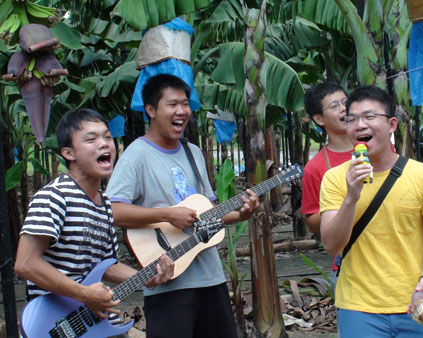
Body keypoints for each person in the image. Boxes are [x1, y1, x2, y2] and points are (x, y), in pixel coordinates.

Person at [106, 74, 259, 338]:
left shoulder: (193, 152)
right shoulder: (136, 155)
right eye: (173, 104)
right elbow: (112, 211)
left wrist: (241, 213)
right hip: (167, 282)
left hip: (211, 277)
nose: (182, 111)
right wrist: (167, 214)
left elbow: (208, 213)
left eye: (185, 104)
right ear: (151, 110)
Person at [14, 109, 174, 323]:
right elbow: (25, 263)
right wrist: (84, 294)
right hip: (52, 323)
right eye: (91, 139)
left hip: (88, 319)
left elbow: (106, 264)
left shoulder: (105, 204)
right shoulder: (54, 196)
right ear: (69, 153)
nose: (104, 144)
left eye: (107, 137)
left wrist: (145, 278)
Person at [319, 85, 423, 337]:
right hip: (358, 307)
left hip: (414, 301)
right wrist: (351, 196)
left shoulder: (422, 175)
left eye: (369, 116)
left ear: (391, 124)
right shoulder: (335, 179)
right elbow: (332, 244)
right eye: (352, 119)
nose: (360, 125)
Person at [301, 82, 354, 289]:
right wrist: (347, 205)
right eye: (334, 106)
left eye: (345, 102)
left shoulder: (377, 149)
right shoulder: (316, 167)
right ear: (319, 118)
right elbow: (313, 222)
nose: (343, 108)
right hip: (347, 265)